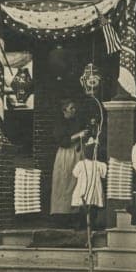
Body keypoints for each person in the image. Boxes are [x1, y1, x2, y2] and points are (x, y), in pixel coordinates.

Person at [51, 98, 89, 228]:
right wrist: (79, 135)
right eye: (71, 108)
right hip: (66, 155)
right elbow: (63, 140)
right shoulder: (60, 124)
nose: (74, 110)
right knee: (64, 182)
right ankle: (62, 215)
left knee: (77, 183)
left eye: (74, 108)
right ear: (64, 110)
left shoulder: (77, 121)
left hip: (78, 153)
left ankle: (76, 214)